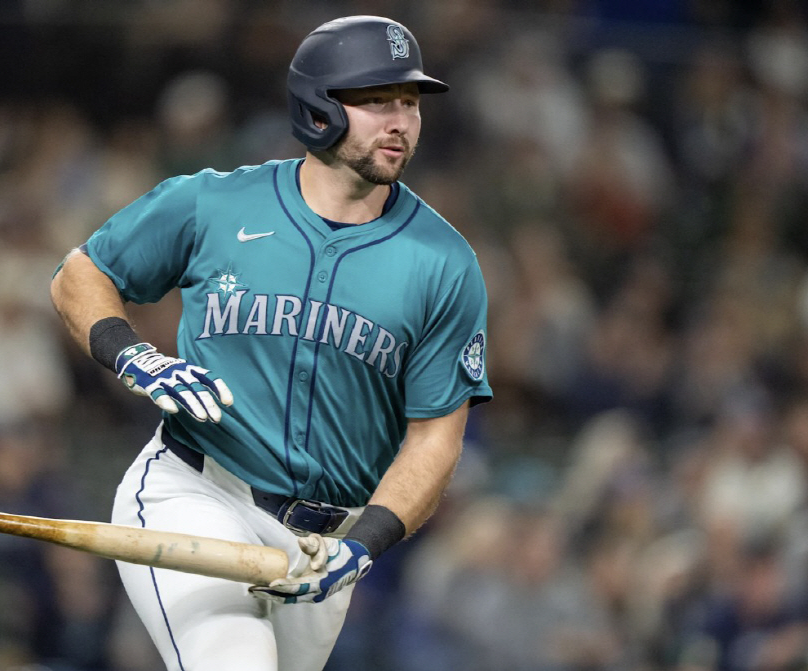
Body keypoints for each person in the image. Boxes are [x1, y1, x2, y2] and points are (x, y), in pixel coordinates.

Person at [50, 15, 492, 671]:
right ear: (318, 106)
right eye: (377, 100)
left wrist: (364, 544)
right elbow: (81, 274)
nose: (400, 121)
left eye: (410, 102)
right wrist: (134, 356)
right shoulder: (215, 203)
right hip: (198, 492)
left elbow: (435, 438)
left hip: (324, 545)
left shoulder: (445, 262)